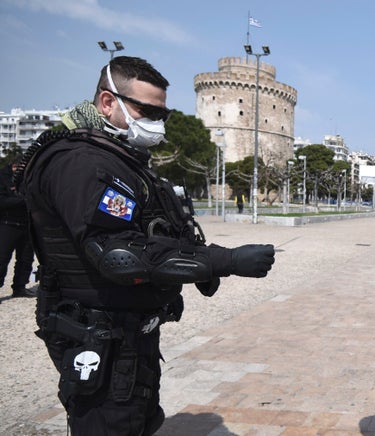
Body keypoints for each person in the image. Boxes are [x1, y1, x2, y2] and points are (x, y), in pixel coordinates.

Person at [17, 56, 275, 435]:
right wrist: (224, 260)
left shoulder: (120, 159)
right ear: (108, 102)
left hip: (127, 330)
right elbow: (121, 256)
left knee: (140, 420)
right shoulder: (80, 162)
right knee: (112, 425)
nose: (156, 121)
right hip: (97, 328)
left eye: (163, 114)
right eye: (147, 110)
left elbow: (158, 232)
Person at [0, 156, 35, 298]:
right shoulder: (3, 176)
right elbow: (2, 201)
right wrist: (23, 201)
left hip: (27, 224)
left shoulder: (29, 177)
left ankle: (20, 287)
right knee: (2, 259)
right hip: (8, 223)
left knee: (26, 259)